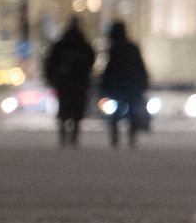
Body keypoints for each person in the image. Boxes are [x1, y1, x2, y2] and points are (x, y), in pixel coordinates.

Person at [44, 18, 95, 148]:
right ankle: (73, 138)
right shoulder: (83, 45)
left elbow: (50, 63)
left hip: (64, 83)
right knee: (77, 110)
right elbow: (90, 62)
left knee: (64, 109)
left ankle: (63, 137)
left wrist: (52, 79)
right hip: (79, 83)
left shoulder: (61, 44)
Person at [99, 20, 150, 148]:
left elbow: (110, 70)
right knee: (132, 113)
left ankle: (115, 139)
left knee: (115, 114)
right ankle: (131, 138)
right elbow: (140, 68)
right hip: (131, 87)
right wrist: (142, 84)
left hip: (117, 87)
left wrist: (104, 86)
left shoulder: (114, 49)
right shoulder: (131, 48)